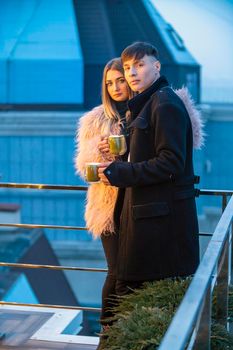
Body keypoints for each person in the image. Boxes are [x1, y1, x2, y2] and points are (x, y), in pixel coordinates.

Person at [98, 42, 204, 297]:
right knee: (126, 292)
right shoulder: (149, 103)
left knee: (128, 294)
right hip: (147, 218)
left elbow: (170, 162)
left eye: (139, 65)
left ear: (156, 67)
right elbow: (147, 155)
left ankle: (111, 338)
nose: (132, 73)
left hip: (156, 224)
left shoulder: (164, 103)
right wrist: (119, 157)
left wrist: (119, 172)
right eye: (127, 67)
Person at [74, 58, 132, 333]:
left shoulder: (144, 112)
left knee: (133, 272)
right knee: (116, 271)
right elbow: (86, 172)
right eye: (110, 83)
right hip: (108, 208)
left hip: (137, 204)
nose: (115, 87)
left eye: (120, 80)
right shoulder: (95, 120)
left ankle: (130, 330)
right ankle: (108, 331)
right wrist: (99, 153)